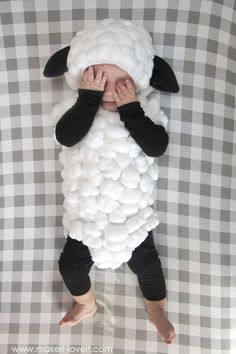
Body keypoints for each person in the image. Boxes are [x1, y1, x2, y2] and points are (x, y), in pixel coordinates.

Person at [56, 63, 176, 345]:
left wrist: (131, 109)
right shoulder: (78, 111)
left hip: (130, 217)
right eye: (98, 80)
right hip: (87, 217)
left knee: (148, 266)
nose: (109, 90)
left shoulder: (144, 113)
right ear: (83, 82)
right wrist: (88, 99)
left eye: (122, 83)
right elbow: (66, 136)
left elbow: (156, 146)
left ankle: (155, 309)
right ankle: (86, 303)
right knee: (70, 267)